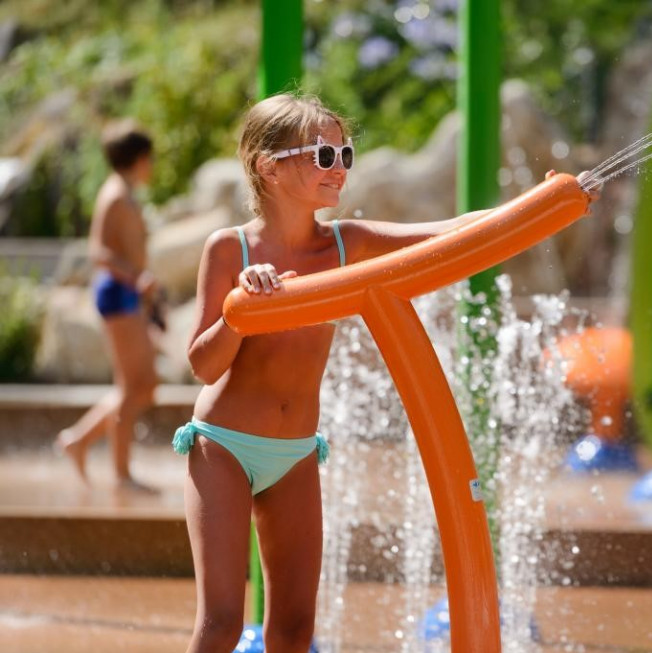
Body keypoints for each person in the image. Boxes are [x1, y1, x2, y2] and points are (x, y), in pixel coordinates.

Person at [171, 92, 600, 652]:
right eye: (323, 157)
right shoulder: (232, 249)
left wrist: (547, 203)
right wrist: (239, 308)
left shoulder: (349, 243)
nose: (340, 169)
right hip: (225, 446)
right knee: (222, 623)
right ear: (268, 167)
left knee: (296, 627)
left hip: (296, 452)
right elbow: (204, 365)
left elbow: (454, 232)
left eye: (344, 155)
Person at [56, 120, 160, 493]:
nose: (154, 165)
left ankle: (80, 441)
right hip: (117, 292)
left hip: (126, 293)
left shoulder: (124, 193)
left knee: (141, 385)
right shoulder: (114, 195)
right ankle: (119, 472)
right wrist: (137, 279)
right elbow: (98, 252)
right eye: (151, 158)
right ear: (140, 158)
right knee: (137, 386)